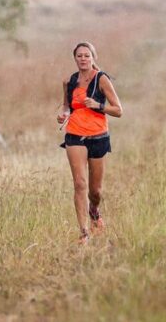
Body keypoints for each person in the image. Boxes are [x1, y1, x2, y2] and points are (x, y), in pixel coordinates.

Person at [57, 41, 123, 245]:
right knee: (79, 184)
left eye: (87, 55)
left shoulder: (101, 79)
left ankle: (94, 210)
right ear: (75, 58)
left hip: (98, 136)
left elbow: (118, 110)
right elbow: (67, 107)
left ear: (93, 57)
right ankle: (84, 233)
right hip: (75, 135)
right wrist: (63, 114)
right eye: (79, 56)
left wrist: (98, 105)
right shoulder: (69, 81)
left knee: (95, 191)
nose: (83, 59)